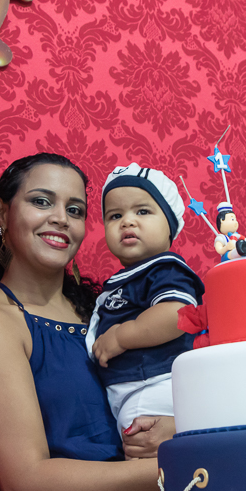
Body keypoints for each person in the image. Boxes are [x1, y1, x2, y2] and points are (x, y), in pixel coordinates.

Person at [0, 153, 166, 491]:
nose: (60, 218)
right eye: (42, 202)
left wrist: (169, 432)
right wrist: (176, 469)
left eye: (74, 209)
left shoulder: (106, 311)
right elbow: (27, 486)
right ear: (2, 213)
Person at [87, 163, 204, 439]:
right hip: (134, 388)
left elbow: (176, 314)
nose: (127, 221)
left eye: (143, 211)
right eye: (115, 215)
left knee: (146, 454)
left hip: (157, 385)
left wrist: (121, 336)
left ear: (170, 227)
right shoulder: (128, 277)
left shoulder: (165, 268)